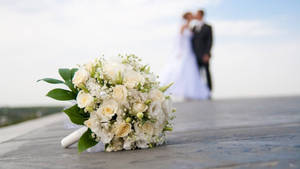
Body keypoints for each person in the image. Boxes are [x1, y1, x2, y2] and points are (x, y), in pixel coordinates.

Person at [160, 12, 210, 100]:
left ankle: (189, 92)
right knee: (180, 70)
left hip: (190, 52)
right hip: (183, 51)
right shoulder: (183, 27)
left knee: (191, 72)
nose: (193, 17)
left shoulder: (191, 28)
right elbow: (178, 39)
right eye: (191, 16)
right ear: (187, 18)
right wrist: (179, 51)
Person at [191, 10, 213, 92]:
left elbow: (210, 41)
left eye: (197, 14)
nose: (195, 15)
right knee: (197, 74)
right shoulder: (193, 28)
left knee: (207, 72)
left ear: (201, 15)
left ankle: (209, 90)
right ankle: (199, 91)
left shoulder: (208, 27)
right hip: (195, 55)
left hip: (204, 55)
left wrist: (207, 54)